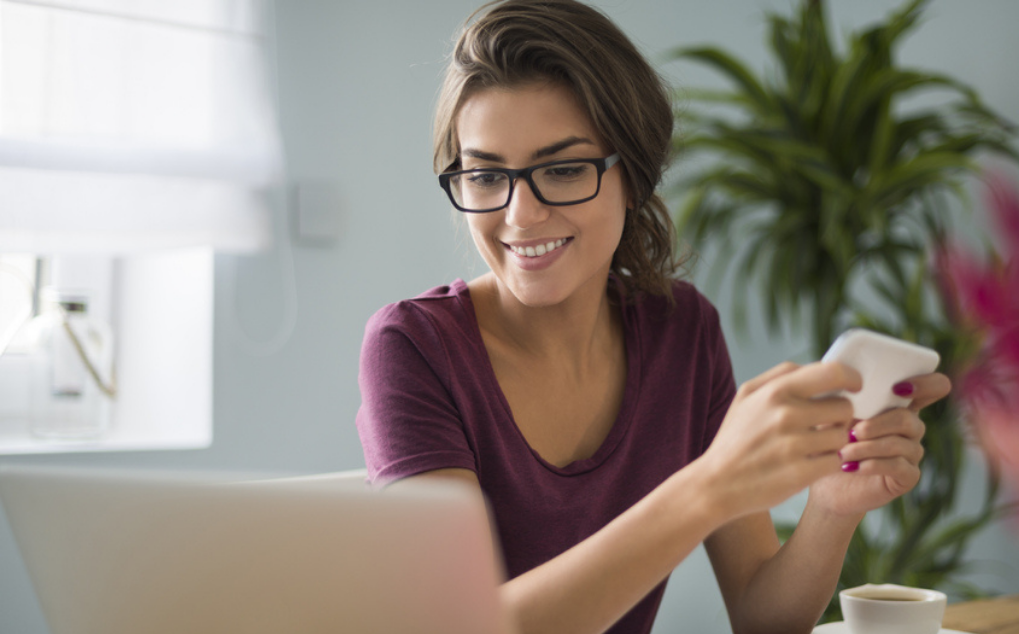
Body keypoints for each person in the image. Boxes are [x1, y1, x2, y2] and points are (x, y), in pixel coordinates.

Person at [355, 1, 951, 633]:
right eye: (484, 176)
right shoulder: (413, 348)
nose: (519, 214)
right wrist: (710, 487)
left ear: (632, 176)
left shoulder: (683, 334)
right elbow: (460, 627)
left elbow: (762, 618)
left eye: (561, 169)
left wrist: (832, 508)